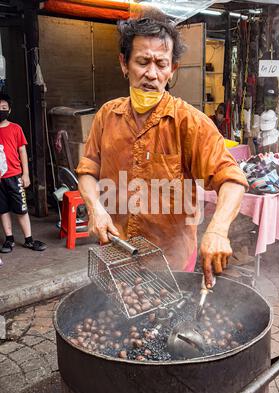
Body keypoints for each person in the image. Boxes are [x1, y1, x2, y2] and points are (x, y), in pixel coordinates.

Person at [77, 15, 248, 287]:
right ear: (124, 64)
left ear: (172, 69)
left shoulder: (190, 122)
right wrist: (95, 207)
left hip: (171, 263)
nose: (152, 74)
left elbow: (232, 180)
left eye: (161, 64)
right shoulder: (107, 116)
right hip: (116, 253)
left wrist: (217, 230)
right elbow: (88, 169)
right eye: (142, 62)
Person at [0, 93, 47, 254]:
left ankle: (29, 240)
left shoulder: (15, 128)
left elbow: (22, 151)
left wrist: (25, 174)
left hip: (14, 176)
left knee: (21, 209)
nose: (1, 110)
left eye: (4, 108)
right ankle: (9, 239)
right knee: (2, 210)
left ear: (10, 110)